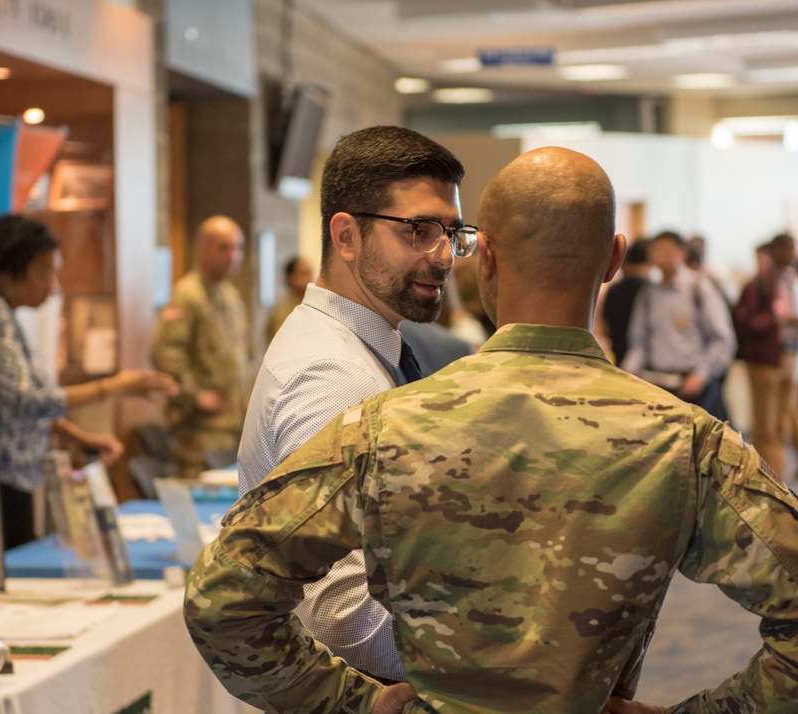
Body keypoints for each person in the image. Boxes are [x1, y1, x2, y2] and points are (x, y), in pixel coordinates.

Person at [184, 147, 798, 713]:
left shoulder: (380, 431)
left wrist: (352, 705)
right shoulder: (687, 441)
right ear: (614, 259)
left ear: (489, 258)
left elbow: (223, 601)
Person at [236, 125, 469, 683]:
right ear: (346, 236)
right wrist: (477, 671)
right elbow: (342, 614)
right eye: (420, 230)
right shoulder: (333, 376)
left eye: (453, 233)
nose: (442, 256)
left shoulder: (356, 347)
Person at [0, 214, 177, 550]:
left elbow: (17, 402)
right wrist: (112, 387)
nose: (53, 285)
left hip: (5, 472)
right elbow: (24, 400)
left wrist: (80, 438)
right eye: (43, 274)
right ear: (9, 273)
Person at [150, 215, 252, 479]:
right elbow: (164, 352)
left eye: (238, 248)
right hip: (201, 428)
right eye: (224, 248)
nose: (233, 256)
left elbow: (240, 354)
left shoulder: (230, 296)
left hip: (233, 423)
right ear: (202, 248)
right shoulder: (188, 295)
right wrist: (196, 395)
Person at [621, 230, 736, 417]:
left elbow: (722, 340)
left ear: (682, 253)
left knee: (695, 443)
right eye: (655, 249)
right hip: (657, 384)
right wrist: (628, 370)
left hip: (692, 386)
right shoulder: (649, 293)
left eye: (666, 249)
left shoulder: (699, 288)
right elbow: (639, 342)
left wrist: (700, 375)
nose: (659, 254)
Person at [734, 234, 798, 477]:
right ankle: (765, 478)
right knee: (765, 425)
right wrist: (778, 319)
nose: (792, 253)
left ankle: (778, 479)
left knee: (782, 424)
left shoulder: (788, 280)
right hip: (764, 359)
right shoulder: (759, 283)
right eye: (789, 248)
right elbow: (745, 322)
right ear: (775, 251)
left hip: (788, 355)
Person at [599, 238, 650, 365]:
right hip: (645, 363)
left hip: (618, 355)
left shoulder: (613, 289)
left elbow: (605, 326)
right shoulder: (650, 290)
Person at [265, 255, 314, 344]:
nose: (309, 278)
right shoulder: (282, 310)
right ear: (289, 278)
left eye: (309, 273)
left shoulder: (312, 305)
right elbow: (285, 341)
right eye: (303, 273)